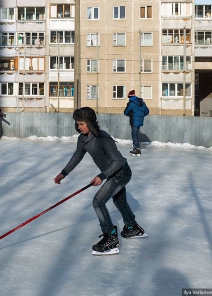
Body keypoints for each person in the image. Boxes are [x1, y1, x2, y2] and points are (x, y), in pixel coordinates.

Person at [54, 107, 147, 256]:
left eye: (82, 124)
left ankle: (110, 238)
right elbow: (77, 156)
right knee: (120, 202)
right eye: (77, 124)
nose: (79, 127)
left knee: (98, 201)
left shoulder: (103, 138)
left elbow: (118, 161)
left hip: (121, 172)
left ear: (90, 123)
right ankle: (132, 227)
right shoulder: (83, 138)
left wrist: (102, 176)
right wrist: (64, 172)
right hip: (112, 173)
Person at [123, 90, 149, 157]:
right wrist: (140, 115)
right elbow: (147, 111)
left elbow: (125, 112)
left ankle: (137, 149)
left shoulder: (131, 104)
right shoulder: (142, 103)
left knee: (134, 134)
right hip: (140, 120)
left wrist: (131, 114)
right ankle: (136, 148)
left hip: (134, 121)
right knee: (136, 133)